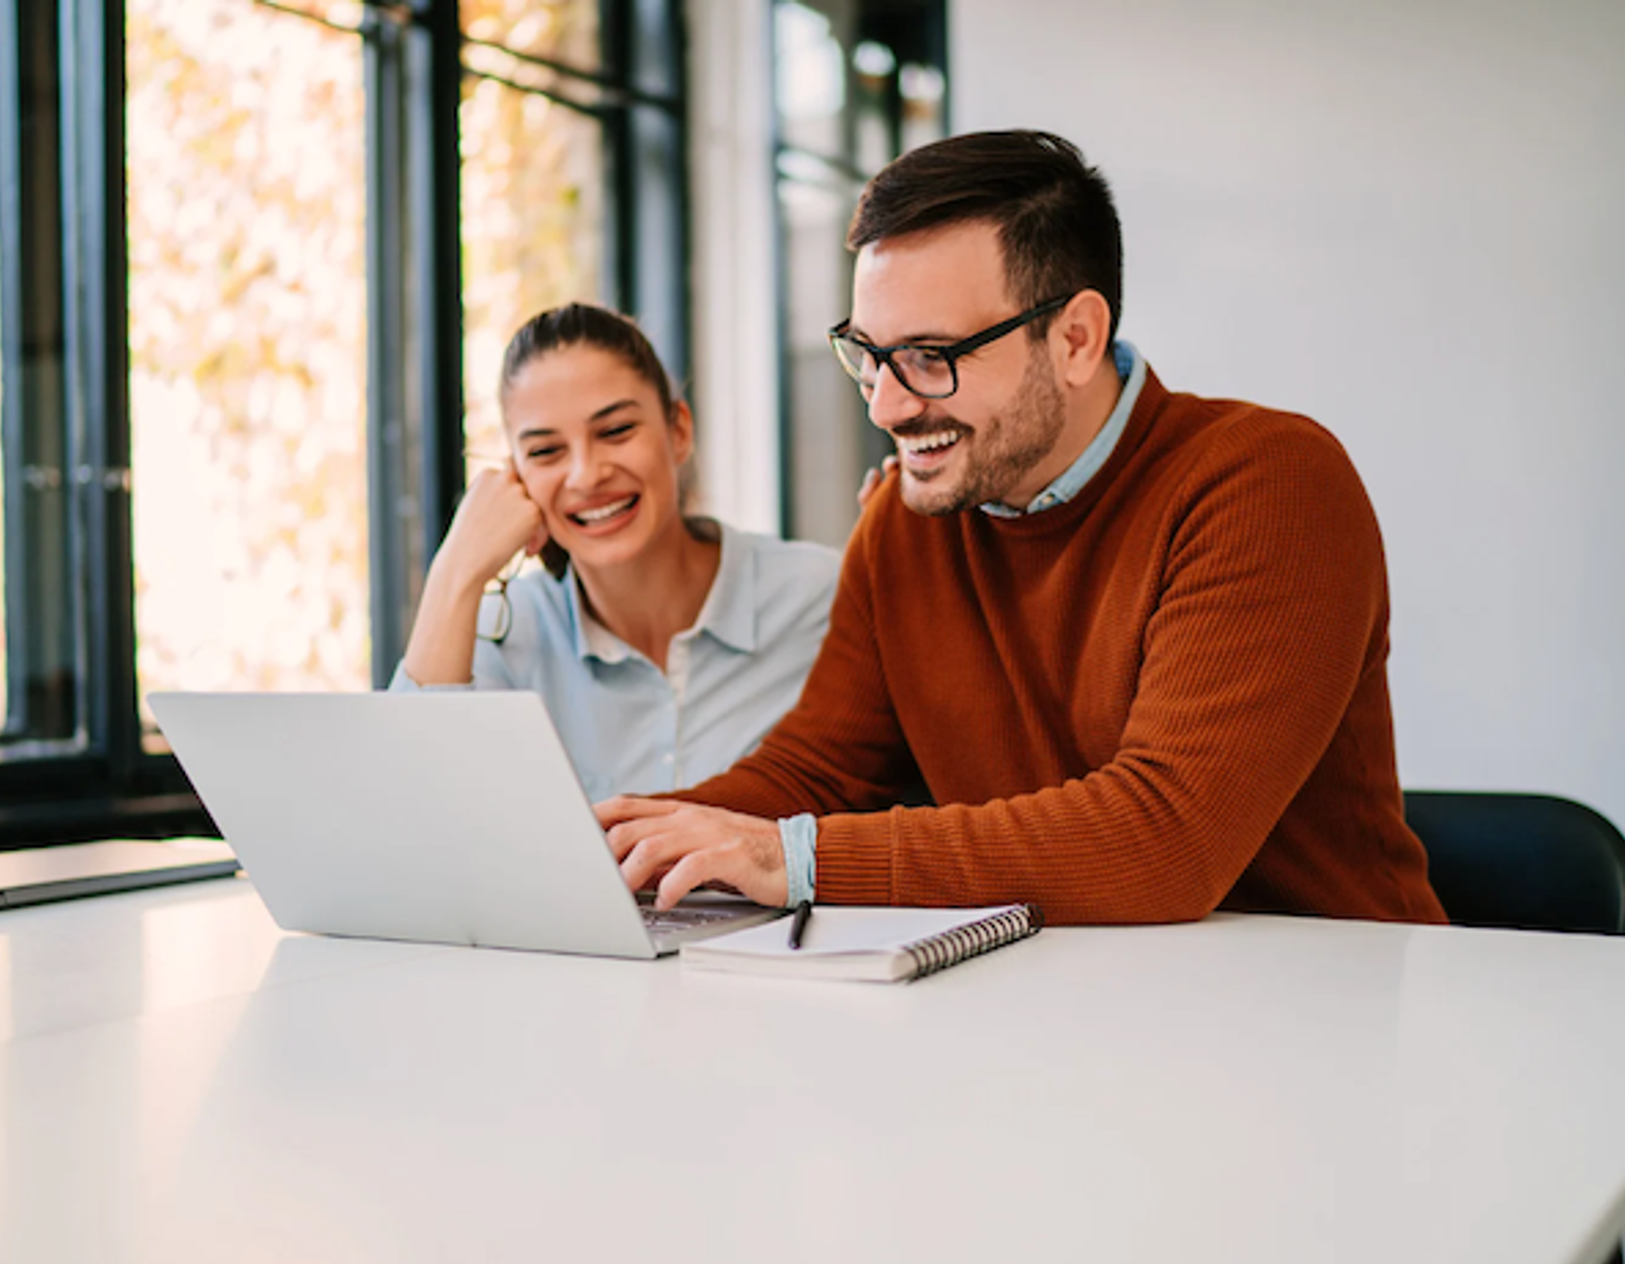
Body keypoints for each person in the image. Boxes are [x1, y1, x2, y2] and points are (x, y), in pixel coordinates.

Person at [598, 130, 1447, 927]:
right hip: (1063, 1015)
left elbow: (1166, 837)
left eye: (932, 357)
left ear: (1075, 338)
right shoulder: (907, 518)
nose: (888, 405)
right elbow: (821, 772)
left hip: (1330, 1023)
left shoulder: (1266, 482)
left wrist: (792, 858)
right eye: (868, 354)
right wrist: (624, 848)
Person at [391, 303, 840, 802]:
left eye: (615, 431)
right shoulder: (504, 633)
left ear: (679, 431)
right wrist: (456, 570)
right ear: (516, 474)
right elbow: (409, 809)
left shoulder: (822, 597)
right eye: (545, 452)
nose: (586, 475)